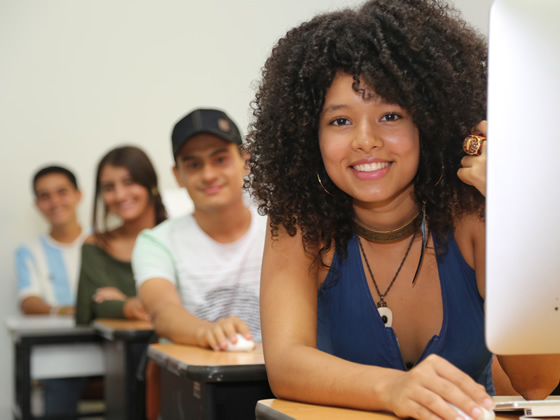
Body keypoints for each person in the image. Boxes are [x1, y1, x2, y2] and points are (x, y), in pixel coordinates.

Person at [244, 1, 560, 419]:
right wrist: (394, 389)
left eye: (390, 115)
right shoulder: (301, 221)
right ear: (309, 137)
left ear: (427, 122)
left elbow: (537, 380)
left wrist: (517, 210)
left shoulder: (474, 212)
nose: (366, 140)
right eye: (340, 121)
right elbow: (285, 365)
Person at [132, 108, 266, 350]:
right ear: (178, 175)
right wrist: (208, 332)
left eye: (220, 159)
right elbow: (162, 311)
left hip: (282, 379)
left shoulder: (281, 230)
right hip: (198, 380)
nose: (209, 174)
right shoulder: (156, 242)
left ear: (245, 161)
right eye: (194, 164)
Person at [75, 145, 166, 325]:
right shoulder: (95, 245)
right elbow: (93, 308)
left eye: (129, 182)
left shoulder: (179, 238)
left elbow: (191, 305)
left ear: (151, 184)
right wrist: (133, 306)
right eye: (109, 187)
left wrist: (125, 302)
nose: (120, 195)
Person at [15, 165, 87, 316]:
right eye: (45, 196)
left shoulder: (104, 241)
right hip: (53, 336)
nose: (54, 202)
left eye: (62, 192)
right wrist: (64, 312)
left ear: (78, 195)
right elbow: (28, 301)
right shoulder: (28, 252)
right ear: (37, 204)